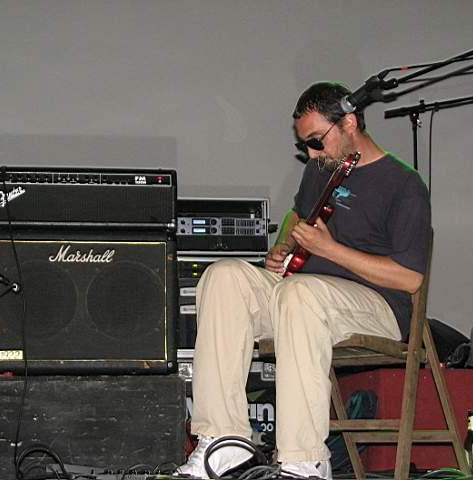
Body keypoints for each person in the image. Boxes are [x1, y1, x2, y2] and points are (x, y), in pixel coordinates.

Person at [175, 82, 431, 479]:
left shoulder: (404, 184)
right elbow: (297, 217)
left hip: (378, 308)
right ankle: (225, 442)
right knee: (223, 277)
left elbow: (410, 278)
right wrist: (283, 248)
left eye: (316, 141)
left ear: (349, 123)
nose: (311, 154)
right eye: (305, 145)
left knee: (300, 294)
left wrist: (330, 250)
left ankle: (304, 461)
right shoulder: (320, 170)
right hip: (303, 300)